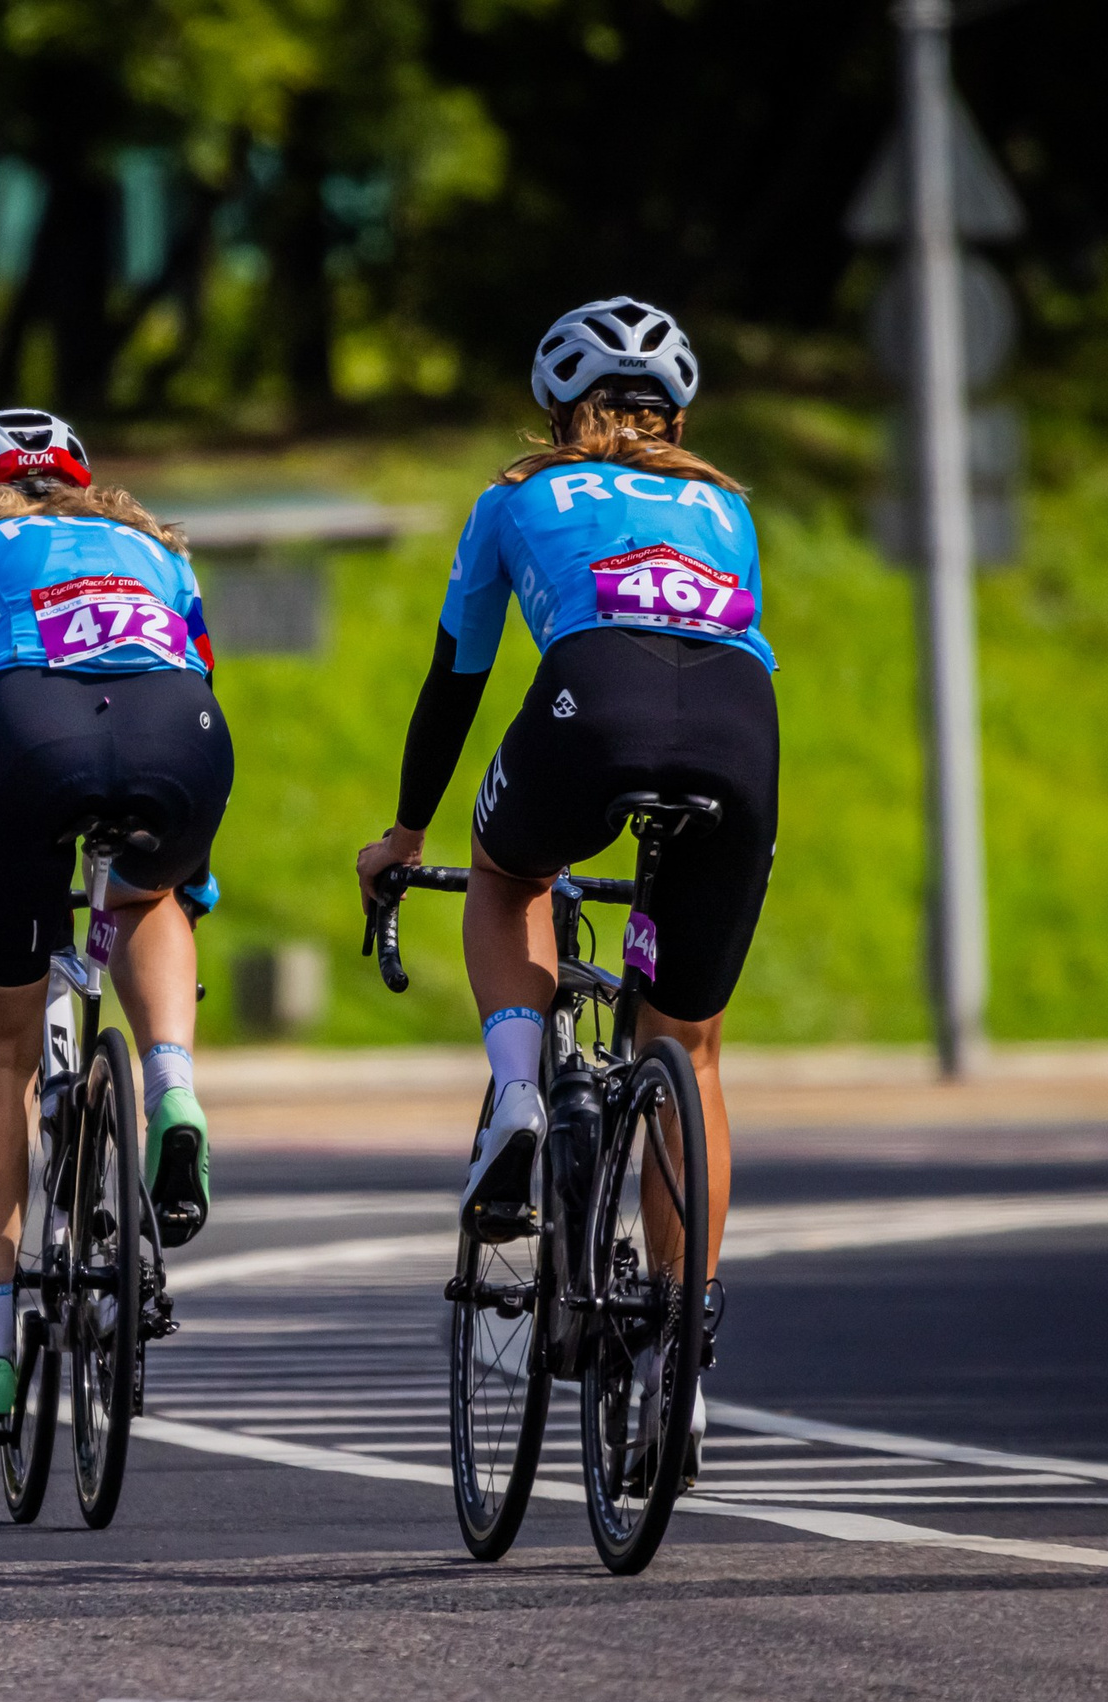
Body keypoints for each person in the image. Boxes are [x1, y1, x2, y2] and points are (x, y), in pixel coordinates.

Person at [353, 297, 778, 1472]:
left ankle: (517, 1098)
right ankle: (681, 1368)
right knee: (687, 1043)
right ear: (678, 412)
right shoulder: (727, 503)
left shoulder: (514, 495)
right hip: (741, 726)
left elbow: (456, 674)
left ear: (555, 406)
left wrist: (404, 831)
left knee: (509, 869)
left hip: (594, 695)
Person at [0, 408, 233, 1430]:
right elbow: (200, 675)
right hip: (181, 733)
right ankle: (172, 1088)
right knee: (147, 890)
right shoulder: (154, 546)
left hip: (28, 731)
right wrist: (189, 866)